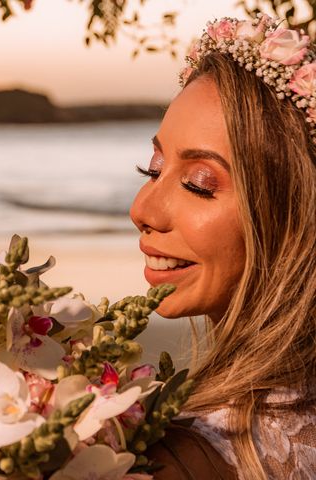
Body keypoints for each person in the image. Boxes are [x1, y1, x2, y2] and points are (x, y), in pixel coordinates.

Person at [129, 15, 316, 480]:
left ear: (292, 216)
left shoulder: (179, 459)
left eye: (198, 184)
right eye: (153, 169)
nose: (142, 209)